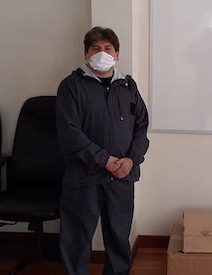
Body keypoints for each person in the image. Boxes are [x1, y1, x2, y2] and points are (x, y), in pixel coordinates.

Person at [56, 26, 149, 275]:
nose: (102, 53)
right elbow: (69, 133)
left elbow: (142, 126)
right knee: (76, 240)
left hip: (121, 177)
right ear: (86, 53)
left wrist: (131, 159)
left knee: (119, 238)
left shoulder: (128, 86)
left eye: (108, 48)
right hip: (83, 177)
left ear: (117, 54)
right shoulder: (71, 86)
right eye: (96, 48)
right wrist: (104, 160)